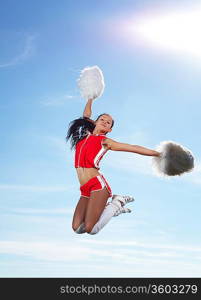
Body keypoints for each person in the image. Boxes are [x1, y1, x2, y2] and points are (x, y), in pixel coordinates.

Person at [66, 98, 160, 235]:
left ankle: (117, 202)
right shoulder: (83, 136)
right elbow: (86, 115)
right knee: (77, 228)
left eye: (108, 122)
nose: (104, 122)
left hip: (98, 185)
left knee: (91, 229)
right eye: (102, 119)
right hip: (84, 188)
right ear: (95, 122)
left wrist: (158, 154)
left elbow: (133, 148)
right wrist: (90, 97)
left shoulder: (105, 141)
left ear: (109, 129)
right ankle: (111, 210)